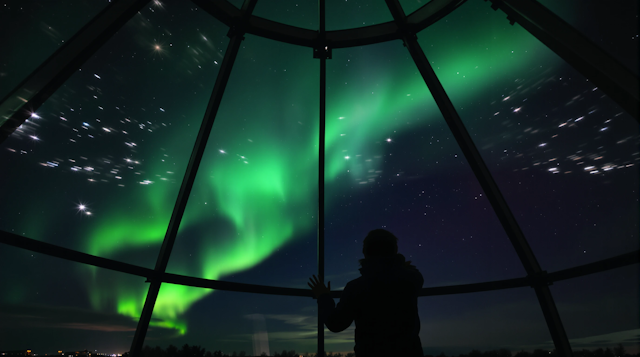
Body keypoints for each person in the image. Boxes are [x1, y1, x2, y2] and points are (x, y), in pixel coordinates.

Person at [308, 229, 424, 357]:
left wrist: (323, 296)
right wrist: (401, 267)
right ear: (395, 250)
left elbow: (336, 323)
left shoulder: (356, 287)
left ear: (365, 252)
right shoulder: (412, 279)